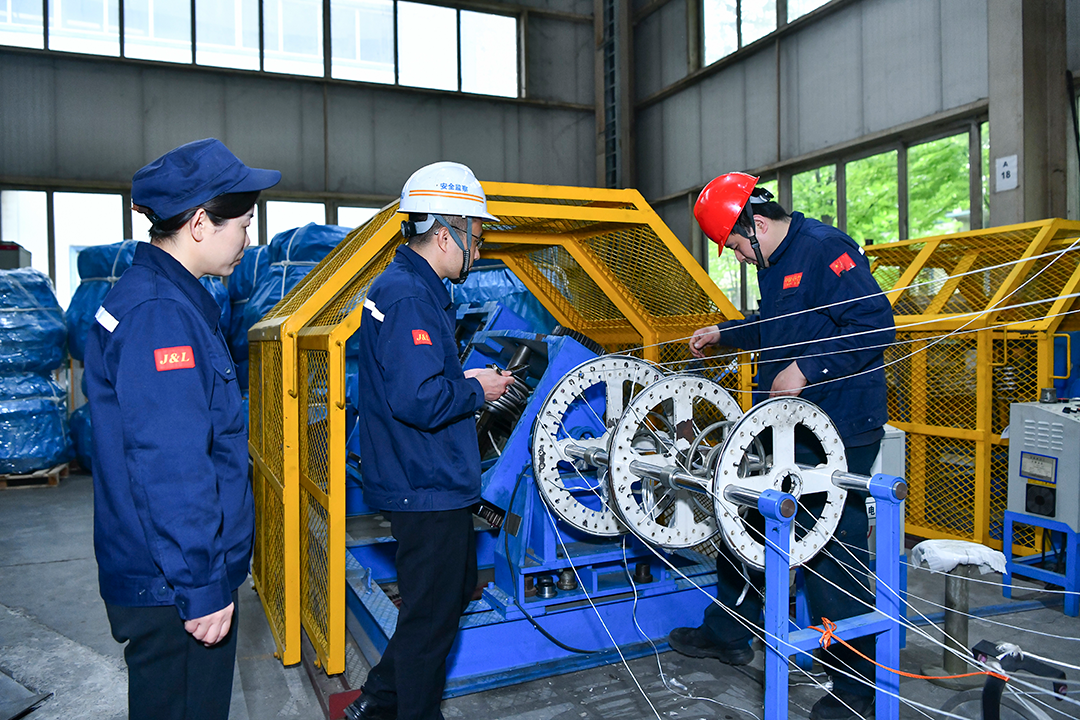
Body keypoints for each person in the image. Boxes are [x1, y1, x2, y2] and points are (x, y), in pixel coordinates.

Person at [669, 172, 896, 720]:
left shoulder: (824, 249)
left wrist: (808, 369)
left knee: (829, 549)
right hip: (792, 427)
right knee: (747, 520)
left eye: (737, 246)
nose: (739, 256)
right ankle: (729, 631)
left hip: (841, 426)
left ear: (758, 223)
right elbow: (777, 328)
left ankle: (857, 689)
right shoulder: (774, 264)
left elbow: (875, 325)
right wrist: (725, 334)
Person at [84, 138, 280, 720]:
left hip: (165, 574)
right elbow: (171, 464)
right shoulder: (160, 315)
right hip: (174, 586)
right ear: (199, 224)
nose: (247, 240)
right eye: (242, 225)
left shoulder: (163, 299)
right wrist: (201, 585)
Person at [345, 162, 516, 720]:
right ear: (445, 234)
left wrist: (464, 381)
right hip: (425, 482)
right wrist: (477, 389)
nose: (478, 249)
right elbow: (418, 399)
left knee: (449, 592)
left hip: (427, 475)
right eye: (476, 236)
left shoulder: (412, 289)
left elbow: (414, 381)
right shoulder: (409, 298)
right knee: (431, 619)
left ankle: (378, 700)